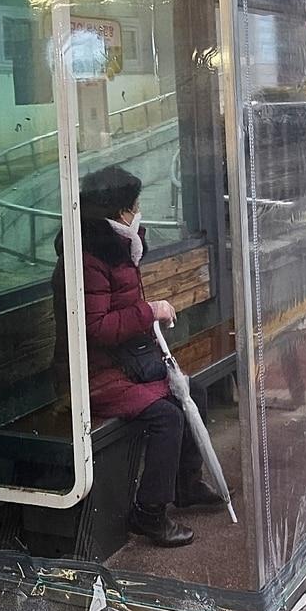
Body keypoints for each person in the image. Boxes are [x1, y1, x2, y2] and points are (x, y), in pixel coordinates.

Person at [54, 165, 223, 547]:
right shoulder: (90, 257)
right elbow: (95, 327)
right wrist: (150, 311)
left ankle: (186, 484)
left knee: (191, 391)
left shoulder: (115, 248)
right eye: (134, 206)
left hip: (125, 362)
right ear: (118, 212)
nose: (138, 211)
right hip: (92, 374)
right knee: (166, 417)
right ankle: (149, 513)